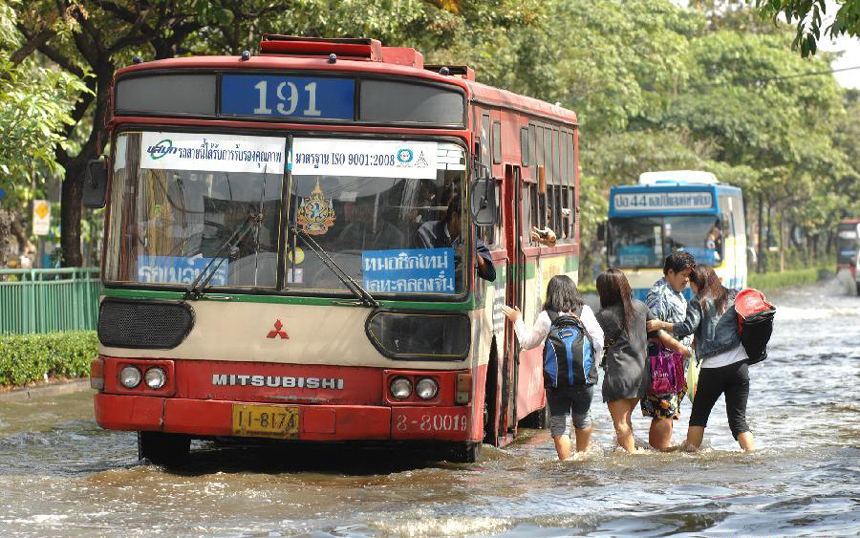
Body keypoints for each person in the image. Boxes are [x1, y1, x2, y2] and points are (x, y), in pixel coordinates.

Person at [647, 266, 755, 451]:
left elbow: (687, 327)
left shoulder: (698, 301)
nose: (691, 288)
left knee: (699, 416)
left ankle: (691, 457)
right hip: (740, 366)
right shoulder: (733, 295)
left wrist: (661, 324)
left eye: (692, 284)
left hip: (713, 368)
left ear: (698, 284)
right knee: (738, 421)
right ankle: (753, 455)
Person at [500, 275, 604, 460]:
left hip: (557, 383)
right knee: (582, 418)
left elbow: (526, 342)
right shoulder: (585, 311)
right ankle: (581, 458)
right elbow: (598, 341)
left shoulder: (546, 316)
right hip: (584, 381)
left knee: (559, 424)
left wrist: (517, 319)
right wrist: (591, 370)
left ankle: (566, 464)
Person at [595, 268, 692, 453]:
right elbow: (660, 336)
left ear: (604, 291)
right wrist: (682, 349)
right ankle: (631, 450)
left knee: (621, 424)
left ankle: (631, 460)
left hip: (619, 377)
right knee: (626, 421)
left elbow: (594, 344)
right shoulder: (639, 307)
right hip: (642, 377)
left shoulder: (603, 316)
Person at [642, 251, 696, 449]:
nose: (687, 280)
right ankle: (659, 455)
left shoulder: (676, 293)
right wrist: (681, 348)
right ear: (671, 272)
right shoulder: (659, 294)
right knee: (663, 413)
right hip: (663, 366)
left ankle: (662, 455)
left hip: (676, 366)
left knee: (669, 412)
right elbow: (653, 331)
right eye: (684, 275)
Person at [415, 194, 496, 281]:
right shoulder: (426, 232)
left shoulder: (470, 238)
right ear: (455, 217)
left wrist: (474, 254)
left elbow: (491, 275)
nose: (470, 225)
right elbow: (420, 271)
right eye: (467, 219)